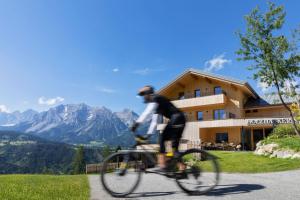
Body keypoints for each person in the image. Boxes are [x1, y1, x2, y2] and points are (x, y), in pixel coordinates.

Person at [130, 85, 186, 171]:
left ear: (148, 94)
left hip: (177, 119)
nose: (143, 98)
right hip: (178, 119)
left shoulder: (155, 98)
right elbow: (154, 121)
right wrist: (148, 135)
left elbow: (147, 113)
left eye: (143, 95)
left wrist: (136, 124)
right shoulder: (157, 103)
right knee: (174, 148)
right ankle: (182, 169)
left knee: (162, 138)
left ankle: (162, 165)